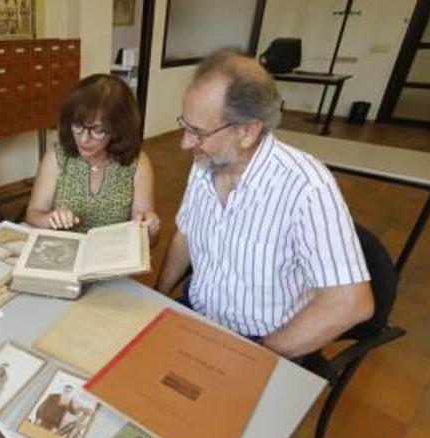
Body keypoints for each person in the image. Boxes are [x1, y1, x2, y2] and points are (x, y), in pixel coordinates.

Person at [155, 49, 374, 358]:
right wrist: (158, 298)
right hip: (199, 316)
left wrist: (261, 354)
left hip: (263, 339)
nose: (185, 143)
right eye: (185, 125)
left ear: (247, 131)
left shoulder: (307, 187)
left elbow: (350, 302)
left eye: (198, 133)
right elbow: (185, 235)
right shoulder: (206, 162)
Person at [25, 74, 161, 243]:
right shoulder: (57, 156)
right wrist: (49, 219)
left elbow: (147, 238)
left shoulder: (138, 163)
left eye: (97, 131)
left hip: (112, 257)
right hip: (64, 253)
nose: (83, 139)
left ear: (117, 129)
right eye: (78, 126)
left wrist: (150, 230)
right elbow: (33, 214)